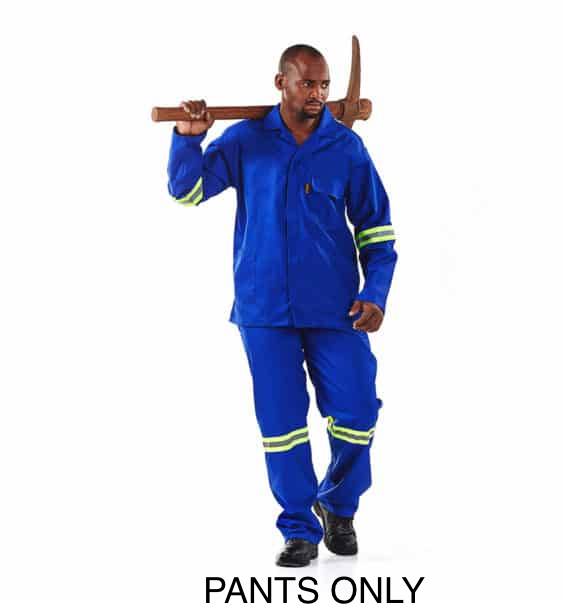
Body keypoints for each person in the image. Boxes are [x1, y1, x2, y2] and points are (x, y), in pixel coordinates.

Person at [166, 43, 397, 567]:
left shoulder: (346, 148)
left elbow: (377, 231)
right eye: (307, 83)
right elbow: (187, 191)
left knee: (358, 411)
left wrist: (375, 293)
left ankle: (338, 505)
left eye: (324, 85)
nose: (317, 94)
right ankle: (298, 529)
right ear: (281, 83)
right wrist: (189, 137)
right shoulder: (246, 140)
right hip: (264, 309)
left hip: (337, 309)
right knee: (282, 424)